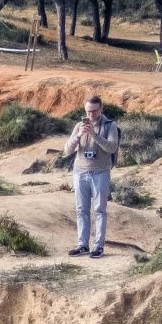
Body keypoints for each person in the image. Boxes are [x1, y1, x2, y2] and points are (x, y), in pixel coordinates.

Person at [67, 95, 122, 258]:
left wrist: (95, 135)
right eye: (88, 111)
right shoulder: (79, 126)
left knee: (99, 210)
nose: (90, 115)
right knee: (81, 210)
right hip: (80, 172)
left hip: (100, 172)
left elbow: (112, 147)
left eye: (94, 111)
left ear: (101, 109)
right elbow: (67, 150)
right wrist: (78, 136)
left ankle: (98, 247)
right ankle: (82, 245)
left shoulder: (110, 126)